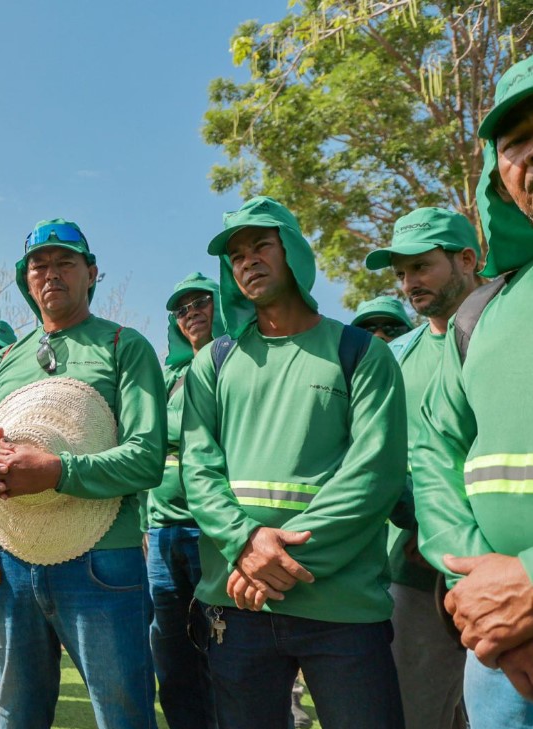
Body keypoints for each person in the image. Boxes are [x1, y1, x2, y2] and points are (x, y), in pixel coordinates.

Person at [181, 197, 406, 729]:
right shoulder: (212, 363)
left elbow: (374, 474)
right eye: (236, 255)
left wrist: (272, 564)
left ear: (295, 254)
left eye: (262, 246)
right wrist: (244, 543)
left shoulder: (360, 353)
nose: (247, 262)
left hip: (341, 610)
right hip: (237, 608)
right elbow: (199, 469)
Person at [0, 219, 167, 728]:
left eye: (65, 263)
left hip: (103, 561)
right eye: (39, 265)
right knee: (15, 713)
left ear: (92, 273)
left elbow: (146, 456)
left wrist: (57, 471)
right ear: (26, 280)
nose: (51, 274)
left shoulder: (124, 345)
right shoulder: (5, 359)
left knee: (123, 712)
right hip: (5, 558)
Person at [412, 55, 533, 727]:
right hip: (497, 651)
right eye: (514, 137)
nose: (531, 149)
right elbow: (433, 452)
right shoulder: (479, 315)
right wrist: (481, 587)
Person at [363, 207, 483, 729]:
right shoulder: (395, 359)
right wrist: (421, 523)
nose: (410, 283)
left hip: (507, 566)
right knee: (415, 714)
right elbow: (375, 454)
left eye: (422, 267)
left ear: (466, 259)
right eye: (402, 272)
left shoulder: (505, 335)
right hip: (413, 572)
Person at [147, 272, 223, 729]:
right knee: (172, 660)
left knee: (224, 654)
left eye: (200, 302)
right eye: (181, 308)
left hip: (213, 532)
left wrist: (172, 438)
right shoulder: (170, 377)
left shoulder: (239, 361)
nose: (191, 313)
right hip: (161, 533)